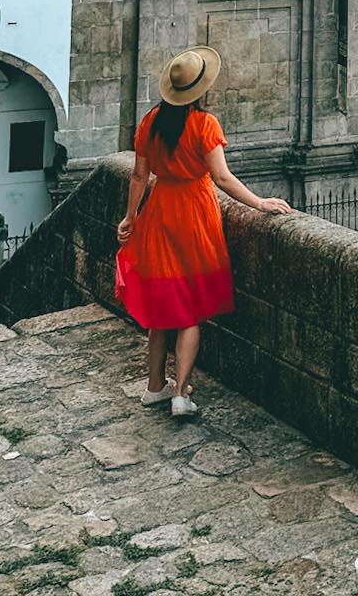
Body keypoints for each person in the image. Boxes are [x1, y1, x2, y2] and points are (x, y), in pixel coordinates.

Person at [115, 46, 293, 417]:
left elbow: (139, 175)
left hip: (159, 211)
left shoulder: (150, 122)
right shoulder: (204, 125)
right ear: (201, 90)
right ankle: (181, 394)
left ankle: (154, 387)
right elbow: (222, 178)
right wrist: (259, 203)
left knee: (163, 305)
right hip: (194, 213)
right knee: (189, 310)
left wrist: (130, 217)